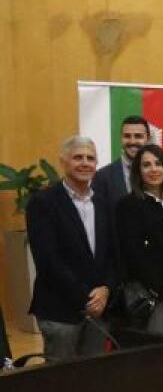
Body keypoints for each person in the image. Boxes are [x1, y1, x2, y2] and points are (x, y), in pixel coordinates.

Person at [27, 136, 117, 361]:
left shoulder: (105, 202)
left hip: (99, 309)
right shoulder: (43, 202)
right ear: (63, 162)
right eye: (78, 157)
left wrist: (106, 289)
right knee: (60, 383)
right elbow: (48, 261)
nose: (85, 163)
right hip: (60, 311)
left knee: (92, 379)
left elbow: (114, 254)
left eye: (91, 158)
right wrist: (87, 297)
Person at [115, 144, 163, 338]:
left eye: (158, 163)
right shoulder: (128, 205)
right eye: (146, 165)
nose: (153, 169)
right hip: (151, 290)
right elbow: (134, 255)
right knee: (155, 352)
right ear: (138, 172)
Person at [93, 115, 150, 207]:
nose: (132, 141)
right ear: (121, 138)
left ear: (148, 139)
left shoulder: (159, 173)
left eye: (138, 136)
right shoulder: (102, 176)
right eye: (127, 136)